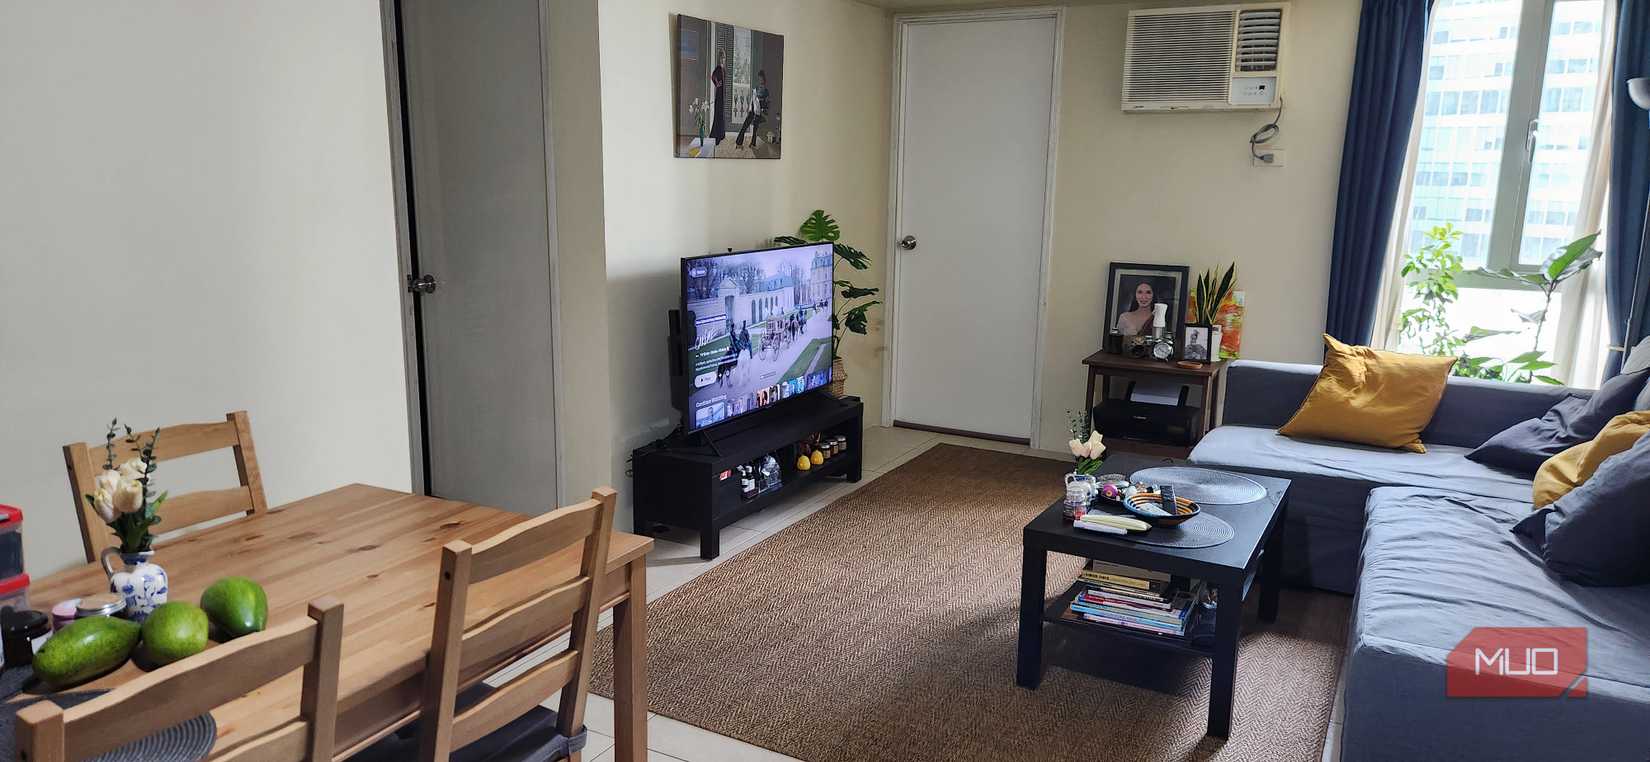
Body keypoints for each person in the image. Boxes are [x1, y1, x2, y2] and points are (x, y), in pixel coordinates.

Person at [735, 70, 770, 148]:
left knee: (755, 128)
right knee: (745, 125)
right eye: (759, 79)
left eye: (761, 79)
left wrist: (764, 110)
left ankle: (753, 144)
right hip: (752, 109)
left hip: (759, 111)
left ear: (764, 80)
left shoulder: (766, 91)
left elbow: (767, 102)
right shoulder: (756, 89)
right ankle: (739, 143)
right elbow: (752, 99)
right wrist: (750, 108)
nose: (760, 80)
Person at [709, 52, 727, 149]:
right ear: (719, 58)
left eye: (723, 58)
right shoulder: (718, 68)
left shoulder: (723, 68)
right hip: (719, 95)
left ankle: (721, 134)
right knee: (718, 113)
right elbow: (712, 76)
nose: (722, 59)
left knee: (721, 114)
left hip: (723, 94)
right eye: (721, 57)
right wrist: (717, 84)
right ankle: (716, 135)